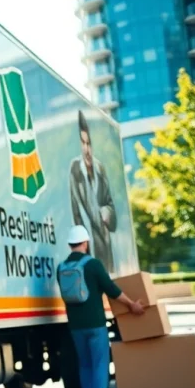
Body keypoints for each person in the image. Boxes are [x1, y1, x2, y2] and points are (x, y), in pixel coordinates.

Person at [57, 225, 144, 388]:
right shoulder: (93, 264)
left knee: (85, 365)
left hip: (75, 326)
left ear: (70, 244)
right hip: (95, 324)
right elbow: (112, 289)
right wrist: (132, 305)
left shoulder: (61, 267)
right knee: (99, 366)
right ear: (86, 242)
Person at [69, 110, 117, 273]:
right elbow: (76, 212)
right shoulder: (75, 169)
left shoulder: (99, 167)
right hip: (89, 247)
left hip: (105, 243)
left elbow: (110, 203)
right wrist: (84, 249)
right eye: (83, 143)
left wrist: (107, 213)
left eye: (89, 143)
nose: (86, 149)